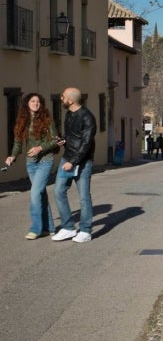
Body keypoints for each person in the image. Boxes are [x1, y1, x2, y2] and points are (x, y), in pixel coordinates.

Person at [4, 93, 61, 240]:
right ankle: (49, 228)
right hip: (31, 163)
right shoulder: (22, 120)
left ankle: (35, 228)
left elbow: (56, 140)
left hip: (45, 161)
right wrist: (13, 156)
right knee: (40, 194)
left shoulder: (47, 120)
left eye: (38, 101)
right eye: (32, 101)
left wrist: (40, 148)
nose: (36, 103)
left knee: (35, 193)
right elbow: (17, 143)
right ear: (27, 104)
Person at [52, 87, 96, 243]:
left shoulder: (88, 117)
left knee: (83, 196)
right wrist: (64, 139)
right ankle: (68, 228)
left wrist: (73, 162)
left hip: (82, 161)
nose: (61, 99)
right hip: (68, 157)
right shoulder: (69, 115)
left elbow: (86, 143)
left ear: (70, 100)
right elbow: (73, 135)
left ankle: (85, 231)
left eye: (63, 97)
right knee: (58, 191)